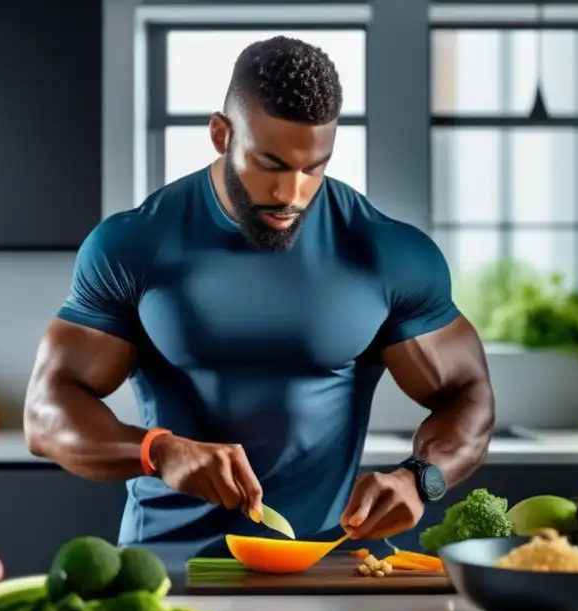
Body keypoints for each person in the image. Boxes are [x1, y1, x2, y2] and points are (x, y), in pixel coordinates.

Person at [24, 35, 494, 547]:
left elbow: (468, 394)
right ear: (221, 134)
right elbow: (46, 413)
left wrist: (419, 477)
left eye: (313, 167)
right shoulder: (134, 243)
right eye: (270, 164)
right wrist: (158, 451)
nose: (291, 194)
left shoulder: (384, 251)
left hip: (323, 565)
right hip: (165, 564)